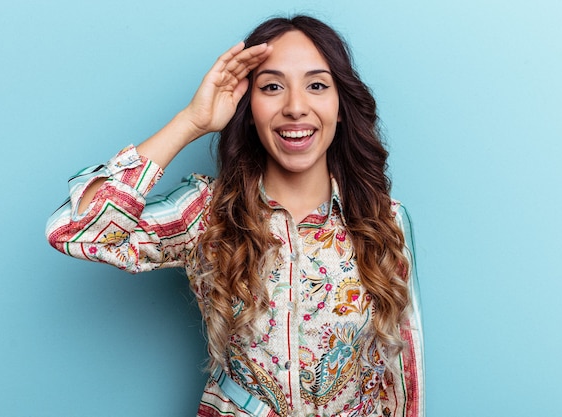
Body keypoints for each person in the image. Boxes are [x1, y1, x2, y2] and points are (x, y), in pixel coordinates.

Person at [46, 15, 424, 417]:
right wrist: (190, 122)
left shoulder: (383, 220)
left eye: (316, 85)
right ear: (249, 107)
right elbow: (74, 231)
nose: (296, 107)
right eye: (272, 87)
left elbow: (402, 372)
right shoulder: (205, 213)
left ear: (341, 105)